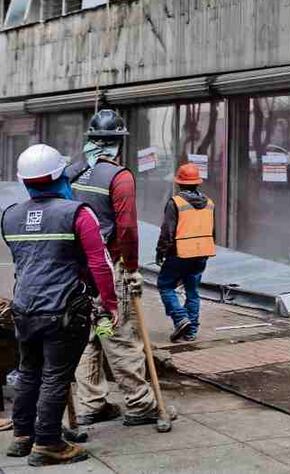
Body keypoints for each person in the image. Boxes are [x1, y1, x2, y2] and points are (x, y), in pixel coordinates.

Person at [2, 144, 118, 466]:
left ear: (24, 180)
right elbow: (100, 263)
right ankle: (49, 443)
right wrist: (109, 304)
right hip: (63, 311)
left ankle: (22, 436)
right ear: (60, 175)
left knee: (29, 371)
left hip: (24, 308)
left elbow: (27, 260)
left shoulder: (10, 216)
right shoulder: (78, 213)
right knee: (55, 375)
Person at [66, 110, 158, 427]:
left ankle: (91, 402)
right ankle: (140, 404)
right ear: (119, 142)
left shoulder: (73, 173)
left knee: (88, 336)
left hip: (77, 271)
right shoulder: (120, 177)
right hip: (108, 268)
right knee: (118, 334)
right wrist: (131, 269)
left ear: (91, 140)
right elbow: (128, 230)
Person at [155, 163, 216, 342]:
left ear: (179, 183)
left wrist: (161, 251)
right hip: (202, 253)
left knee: (165, 285)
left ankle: (180, 318)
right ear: (198, 183)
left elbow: (167, 231)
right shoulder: (210, 204)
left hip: (179, 253)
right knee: (192, 290)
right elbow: (213, 232)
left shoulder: (176, 203)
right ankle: (191, 331)